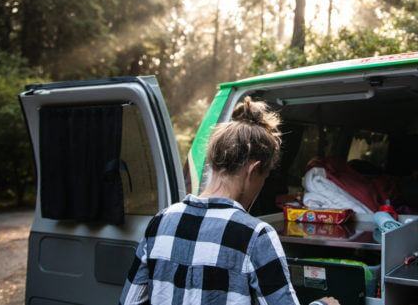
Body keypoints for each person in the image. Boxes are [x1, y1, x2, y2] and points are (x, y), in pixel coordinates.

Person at [119, 97, 339, 305]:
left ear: (214, 161)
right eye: (264, 177)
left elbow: (129, 301)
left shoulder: (160, 222)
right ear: (253, 171)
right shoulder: (256, 236)